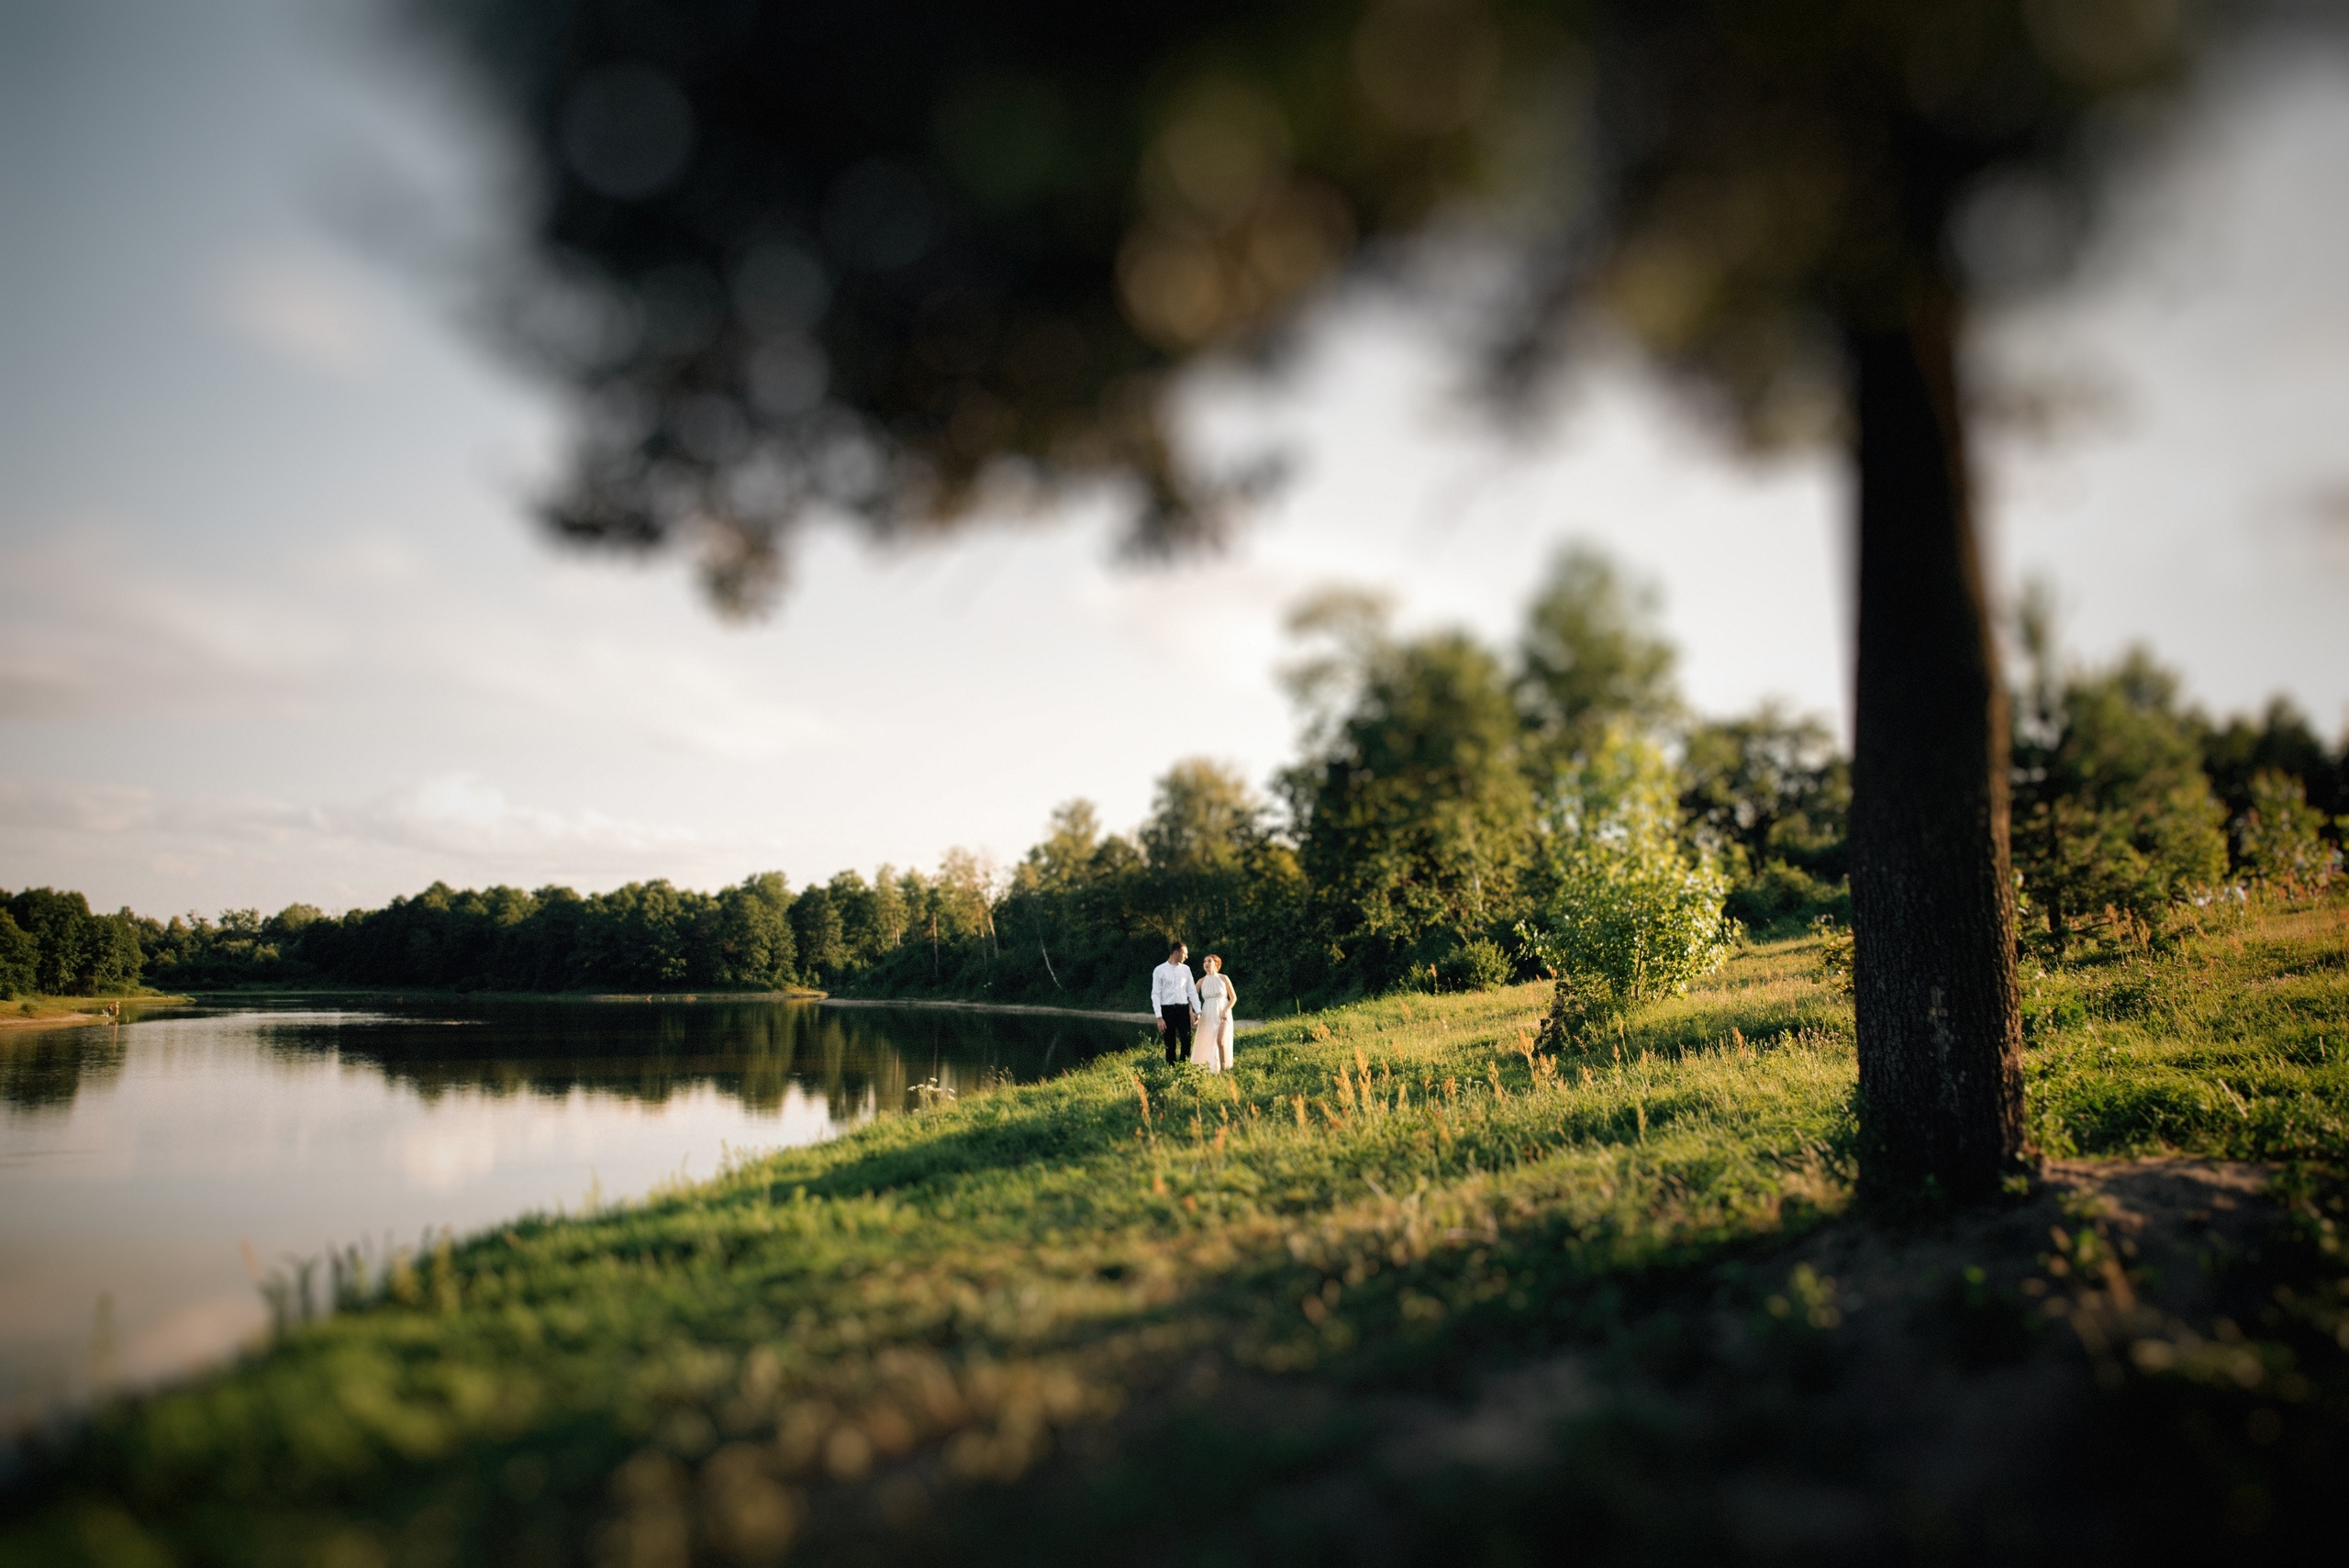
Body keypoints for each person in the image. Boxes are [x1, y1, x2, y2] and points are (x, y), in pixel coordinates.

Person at [1150, 940, 1198, 1065]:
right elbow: (1155, 994)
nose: (1187, 957)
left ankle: (1184, 1067)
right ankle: (1171, 1068)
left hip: (1183, 1010)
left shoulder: (1186, 970)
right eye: (1185, 954)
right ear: (1176, 953)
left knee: (1186, 1039)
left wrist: (1198, 1011)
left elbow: (1192, 991)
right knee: (1170, 1043)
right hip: (1167, 1010)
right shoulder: (1159, 970)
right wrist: (1159, 1017)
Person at [1193, 954, 1236, 1073]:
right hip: (1207, 1013)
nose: (1206, 964)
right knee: (1208, 1041)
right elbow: (1191, 998)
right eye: (1204, 961)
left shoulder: (1224, 978)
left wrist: (1226, 1010)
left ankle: (1224, 1069)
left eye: (1209, 961)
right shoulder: (1201, 981)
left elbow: (1233, 998)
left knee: (1221, 1041)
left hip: (1223, 1013)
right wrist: (1193, 1013)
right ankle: (1212, 1069)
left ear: (1216, 964)